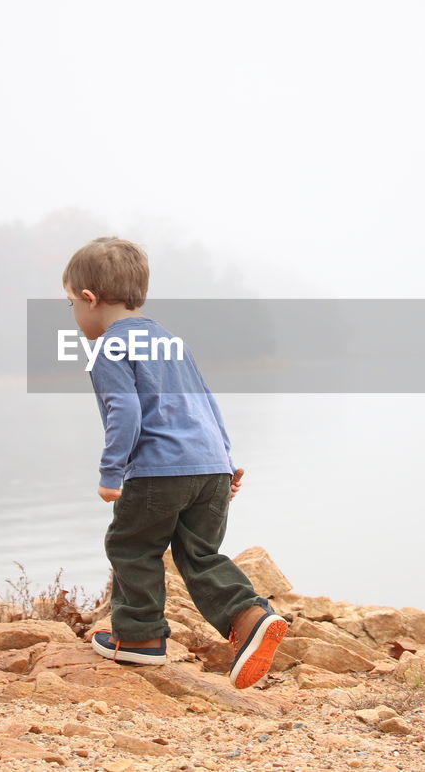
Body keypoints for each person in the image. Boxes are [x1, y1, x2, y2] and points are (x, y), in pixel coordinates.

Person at [61, 236, 287, 689]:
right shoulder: (170, 342)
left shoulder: (109, 347)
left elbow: (124, 411)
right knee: (198, 553)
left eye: (70, 302)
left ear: (89, 299)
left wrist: (110, 472)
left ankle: (140, 638)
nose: (72, 312)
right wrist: (224, 464)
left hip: (157, 471)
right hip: (209, 468)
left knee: (132, 545)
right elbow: (204, 400)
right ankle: (249, 616)